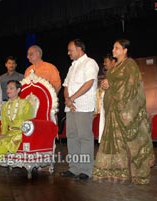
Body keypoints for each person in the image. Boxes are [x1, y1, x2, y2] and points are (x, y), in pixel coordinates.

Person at [92, 39, 155, 184]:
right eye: (113, 47)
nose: (114, 50)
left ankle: (138, 174)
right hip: (113, 111)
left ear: (125, 50)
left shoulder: (130, 65)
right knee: (116, 143)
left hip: (125, 112)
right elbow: (112, 83)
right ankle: (118, 172)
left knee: (132, 143)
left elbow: (131, 87)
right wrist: (105, 84)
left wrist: (111, 85)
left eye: (117, 48)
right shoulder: (114, 67)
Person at [60, 39, 99, 180]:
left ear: (79, 49)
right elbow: (66, 85)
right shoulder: (72, 66)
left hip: (83, 106)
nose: (68, 52)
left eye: (70, 50)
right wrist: (67, 99)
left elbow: (89, 83)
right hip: (71, 107)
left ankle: (86, 170)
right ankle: (74, 168)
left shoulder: (90, 63)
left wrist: (72, 98)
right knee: (72, 137)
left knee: (84, 137)